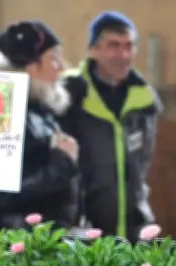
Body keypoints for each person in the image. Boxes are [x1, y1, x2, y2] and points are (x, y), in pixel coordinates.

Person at [60, 11, 162, 241]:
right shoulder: (69, 95)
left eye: (129, 46)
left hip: (134, 226)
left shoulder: (144, 100)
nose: (123, 55)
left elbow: (141, 166)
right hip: (83, 228)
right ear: (93, 49)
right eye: (113, 46)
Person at [0, 20, 80, 236]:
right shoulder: (3, 115)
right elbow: (4, 193)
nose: (62, 66)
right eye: (54, 59)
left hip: (39, 242)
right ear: (32, 68)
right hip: (18, 246)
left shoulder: (38, 108)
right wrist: (62, 162)